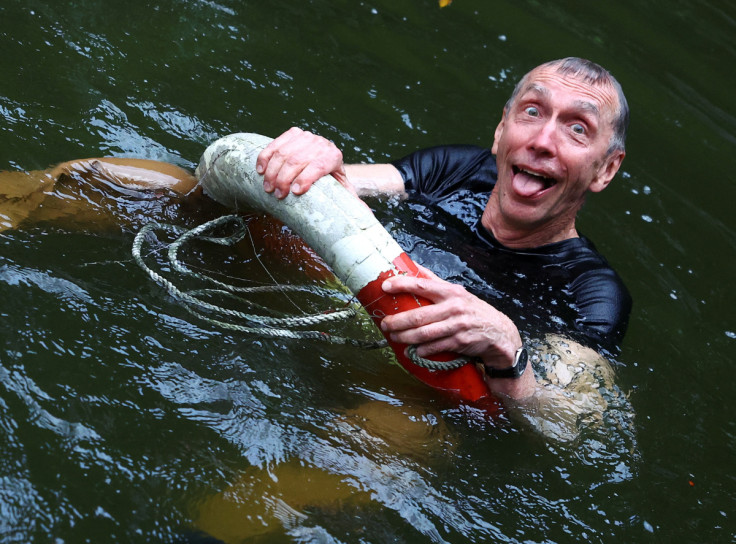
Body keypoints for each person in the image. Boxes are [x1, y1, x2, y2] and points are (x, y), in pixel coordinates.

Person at [252, 57, 632, 402]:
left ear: (606, 169)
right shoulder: (457, 172)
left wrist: (509, 348)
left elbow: (569, 423)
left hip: (419, 400)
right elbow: (335, 182)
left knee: (395, 430)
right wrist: (314, 159)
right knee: (208, 195)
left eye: (577, 129)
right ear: (501, 130)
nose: (543, 141)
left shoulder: (590, 293)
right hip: (310, 314)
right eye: (532, 111)